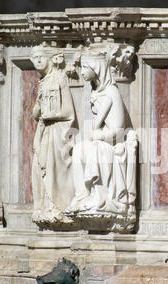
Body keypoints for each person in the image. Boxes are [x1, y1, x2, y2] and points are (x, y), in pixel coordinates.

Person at [67, 51, 137, 215]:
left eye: (85, 67)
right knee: (78, 150)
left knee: (95, 149)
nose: (82, 71)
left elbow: (118, 129)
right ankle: (82, 195)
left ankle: (100, 197)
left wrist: (98, 135)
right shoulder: (96, 92)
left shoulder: (112, 92)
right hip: (102, 138)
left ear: (96, 68)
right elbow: (95, 126)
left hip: (114, 143)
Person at [30, 46, 76, 224]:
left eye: (41, 57)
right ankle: (42, 206)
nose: (38, 61)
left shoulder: (60, 78)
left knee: (53, 167)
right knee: (38, 168)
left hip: (57, 132)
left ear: (50, 57)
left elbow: (69, 111)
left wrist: (52, 115)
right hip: (44, 131)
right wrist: (38, 111)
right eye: (34, 59)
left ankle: (56, 206)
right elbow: (37, 111)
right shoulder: (43, 81)